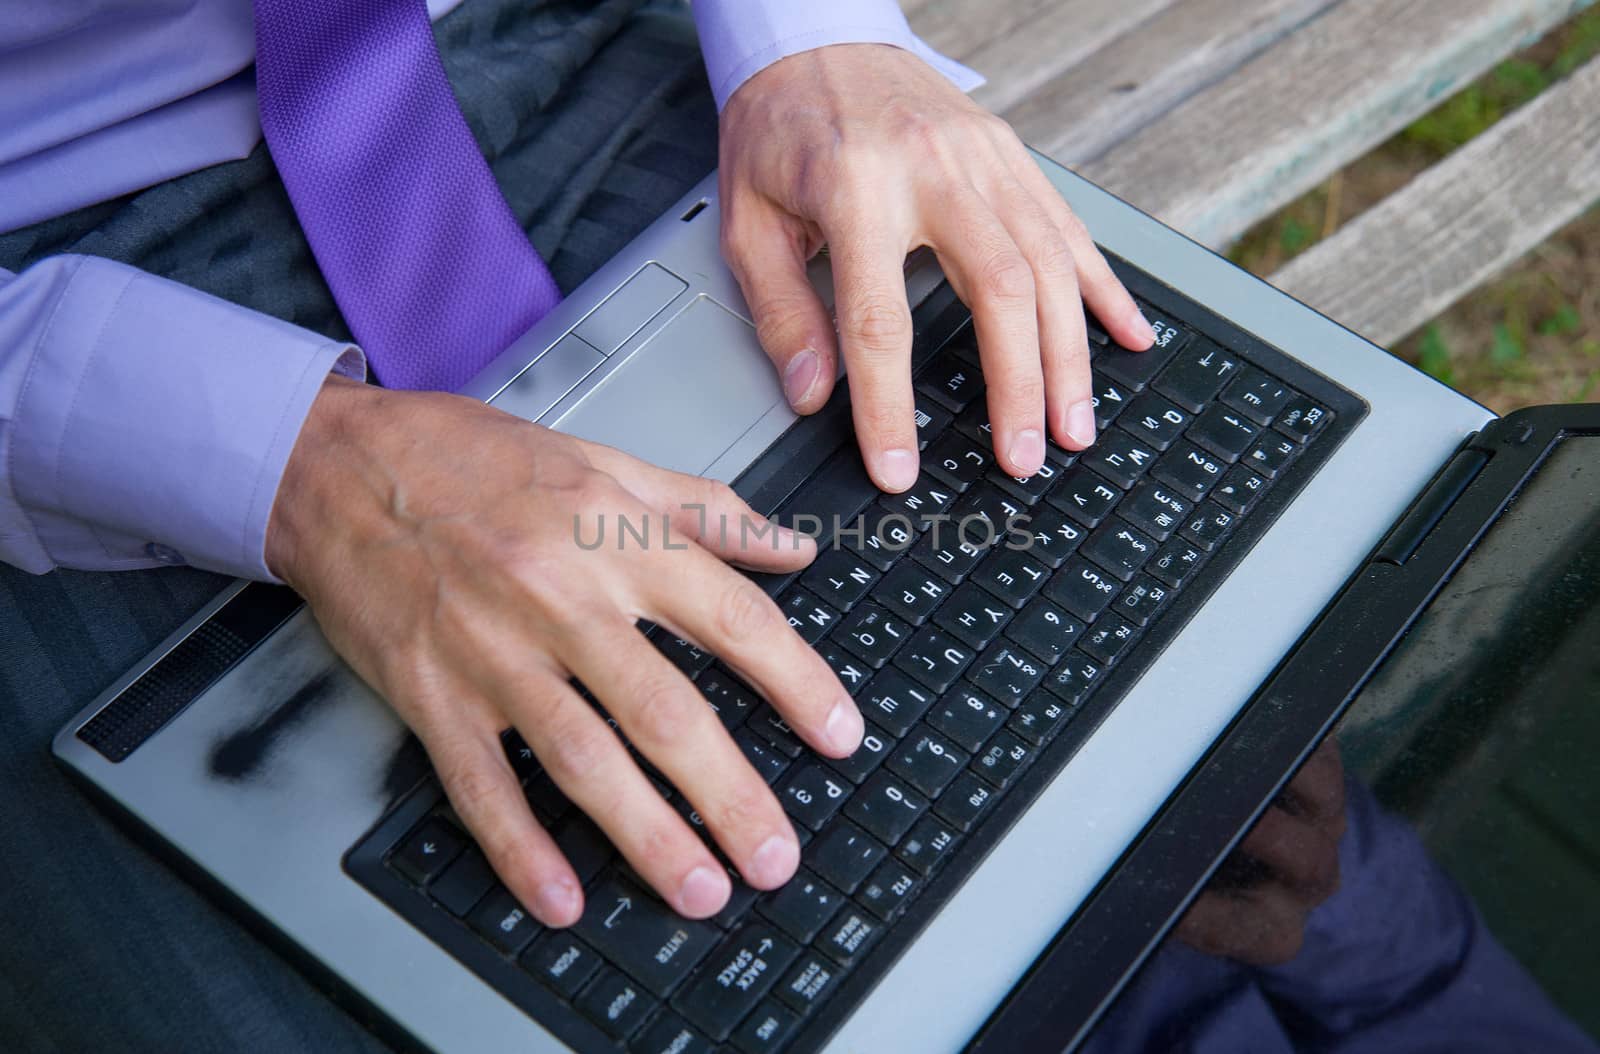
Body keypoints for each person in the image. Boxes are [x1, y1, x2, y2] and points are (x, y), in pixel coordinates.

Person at [0, 0, 1153, 1046]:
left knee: (1128, 580)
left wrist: (811, 38)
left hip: (549, 43)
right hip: (82, 298)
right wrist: (306, 463)